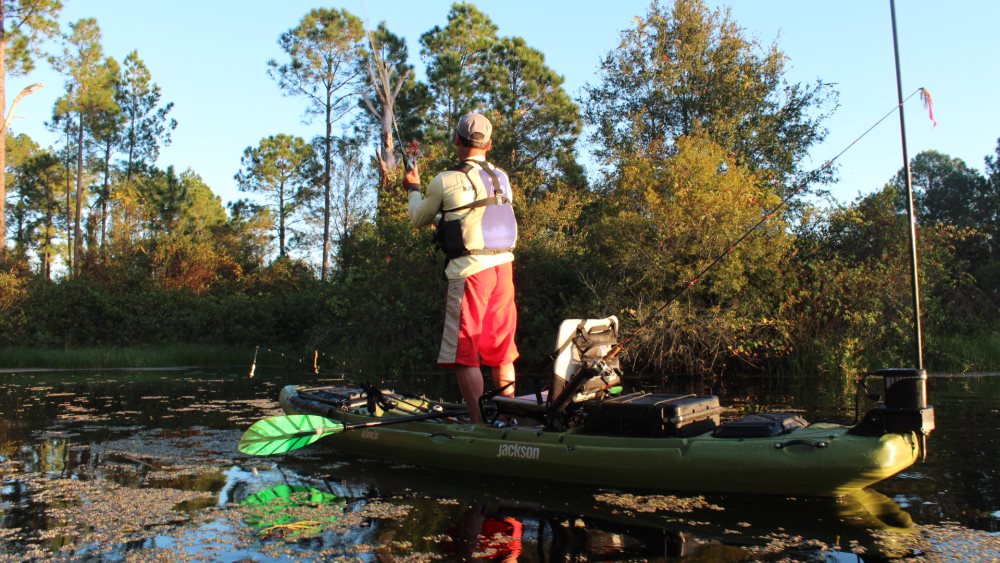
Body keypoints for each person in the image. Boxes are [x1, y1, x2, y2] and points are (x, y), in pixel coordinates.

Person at [404, 112, 518, 424]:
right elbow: (473, 215)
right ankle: (509, 420)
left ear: (456, 139)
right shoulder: (502, 178)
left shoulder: (444, 180)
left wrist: (413, 188)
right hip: (503, 271)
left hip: (470, 273)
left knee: (464, 354)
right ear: (489, 144)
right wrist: (445, 221)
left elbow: (418, 217)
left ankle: (478, 426)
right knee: (501, 351)